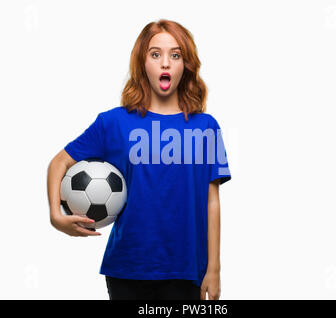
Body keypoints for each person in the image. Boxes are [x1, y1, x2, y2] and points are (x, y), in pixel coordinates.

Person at [47, 19, 232, 300]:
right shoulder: (113, 122)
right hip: (127, 268)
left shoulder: (205, 126)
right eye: (155, 54)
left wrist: (214, 269)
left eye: (176, 54)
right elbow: (58, 163)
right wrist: (55, 216)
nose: (165, 63)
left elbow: (212, 201)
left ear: (187, 64)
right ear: (142, 62)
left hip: (186, 269)